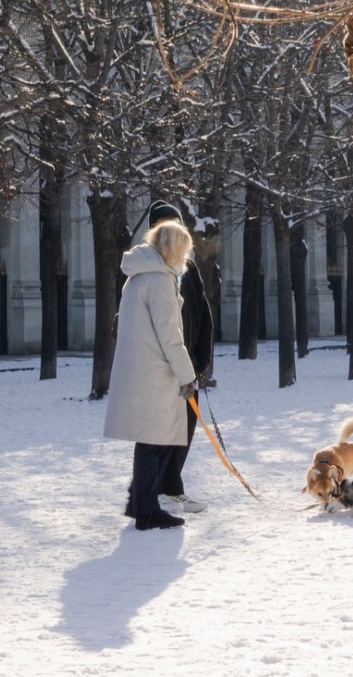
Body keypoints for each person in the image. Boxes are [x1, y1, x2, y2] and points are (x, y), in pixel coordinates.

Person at [103, 216, 198, 530]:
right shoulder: (159, 279)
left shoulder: (139, 275)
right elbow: (170, 334)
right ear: (171, 250)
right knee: (157, 440)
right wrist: (187, 375)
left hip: (143, 369)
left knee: (154, 438)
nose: (185, 258)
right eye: (183, 251)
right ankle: (145, 509)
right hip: (156, 371)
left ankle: (139, 501)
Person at [147, 202, 214, 513]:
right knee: (161, 431)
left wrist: (201, 362)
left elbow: (204, 316)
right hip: (162, 370)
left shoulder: (189, 269)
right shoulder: (150, 270)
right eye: (164, 227)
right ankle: (164, 489)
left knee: (184, 428)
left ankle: (166, 488)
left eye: (175, 226)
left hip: (188, 369)